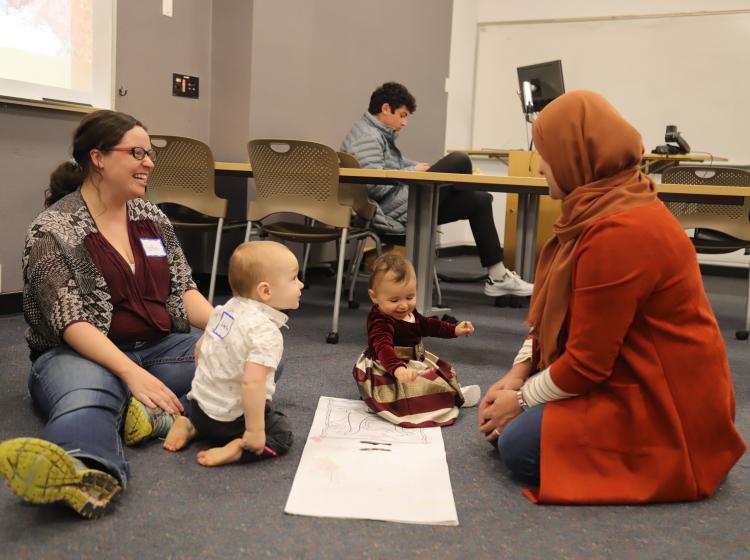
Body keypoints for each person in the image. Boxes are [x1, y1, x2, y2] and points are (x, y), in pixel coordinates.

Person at [478, 91, 747, 504]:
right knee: (509, 428)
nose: (541, 165)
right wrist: (517, 376)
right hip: (628, 369)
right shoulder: (599, 207)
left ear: (575, 156)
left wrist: (522, 399)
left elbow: (586, 364)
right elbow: (554, 318)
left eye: (546, 154)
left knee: (516, 446)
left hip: (666, 403)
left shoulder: (620, 231)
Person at [0, 110, 214, 518]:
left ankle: (151, 417)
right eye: (137, 152)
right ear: (98, 158)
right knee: (89, 396)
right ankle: (83, 469)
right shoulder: (53, 228)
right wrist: (130, 373)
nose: (149, 162)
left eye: (149, 153)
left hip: (158, 349)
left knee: (255, 360)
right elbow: (72, 322)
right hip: (78, 355)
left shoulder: (152, 218)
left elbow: (183, 289)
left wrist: (228, 329)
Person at [341, 81, 532, 299]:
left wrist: (425, 169)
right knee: (459, 160)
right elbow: (373, 186)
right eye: (402, 115)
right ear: (386, 109)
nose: (404, 123)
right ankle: (462, 189)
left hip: (399, 204)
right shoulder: (368, 137)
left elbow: (394, 166)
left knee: (479, 200)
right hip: (390, 212)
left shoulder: (374, 133)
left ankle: (498, 277)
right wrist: (417, 171)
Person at [163, 241, 298, 466]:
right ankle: (237, 450)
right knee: (282, 433)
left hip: (199, 410)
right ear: (265, 291)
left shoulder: (225, 311)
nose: (301, 284)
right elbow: (252, 383)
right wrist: (255, 431)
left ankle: (189, 424)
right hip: (230, 423)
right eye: (294, 278)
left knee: (212, 400)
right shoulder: (265, 330)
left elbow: (201, 350)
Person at [353, 253, 481, 427]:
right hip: (387, 367)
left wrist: (455, 330)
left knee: (440, 374)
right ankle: (378, 402)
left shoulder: (409, 314)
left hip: (414, 361)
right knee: (416, 389)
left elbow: (429, 325)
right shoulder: (380, 320)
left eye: (410, 297)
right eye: (394, 300)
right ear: (374, 296)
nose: (404, 305)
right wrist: (397, 369)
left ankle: (453, 395)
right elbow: (383, 347)